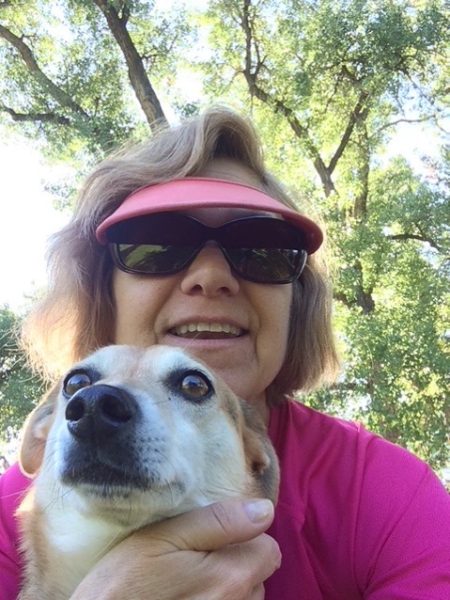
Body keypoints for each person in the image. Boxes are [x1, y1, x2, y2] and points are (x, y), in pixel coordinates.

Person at [1, 107, 449, 600]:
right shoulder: (8, 515)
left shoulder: (388, 495)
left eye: (262, 248)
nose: (210, 276)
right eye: (156, 244)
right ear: (104, 292)